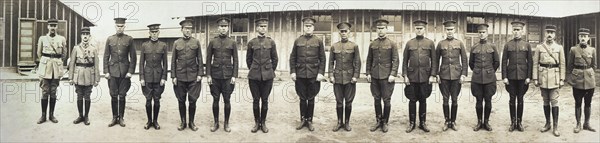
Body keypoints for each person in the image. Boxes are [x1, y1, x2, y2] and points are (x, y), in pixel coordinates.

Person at [291, 17, 327, 132]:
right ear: (303, 27)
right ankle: (302, 119)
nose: (308, 28)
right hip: (300, 74)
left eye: (310, 26)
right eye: (306, 26)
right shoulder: (298, 41)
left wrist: (321, 73)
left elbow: (323, 58)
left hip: (313, 74)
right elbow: (293, 57)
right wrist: (292, 71)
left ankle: (310, 120)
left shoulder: (318, 41)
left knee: (311, 98)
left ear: (313, 27)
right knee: (302, 98)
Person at [403, 20, 437, 133]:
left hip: (425, 77)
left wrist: (432, 75)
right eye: (417, 28)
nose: (419, 30)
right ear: (414, 29)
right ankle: (412, 123)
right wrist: (405, 75)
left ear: (424, 29)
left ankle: (423, 123)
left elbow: (434, 61)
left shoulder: (430, 43)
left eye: (421, 28)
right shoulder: (409, 43)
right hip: (412, 77)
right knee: (412, 100)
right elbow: (404, 61)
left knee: (423, 99)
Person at [366, 19, 400, 133]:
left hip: (387, 77)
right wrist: (368, 73)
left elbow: (396, 60)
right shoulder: (373, 43)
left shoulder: (392, 44)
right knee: (376, 99)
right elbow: (369, 60)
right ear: (377, 30)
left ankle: (385, 122)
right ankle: (378, 120)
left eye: (382, 28)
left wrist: (392, 74)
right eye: (378, 28)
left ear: (386, 29)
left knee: (386, 100)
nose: (380, 31)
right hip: (375, 76)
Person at [206, 17, 239, 133]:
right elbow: (208, 59)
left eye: (225, 27)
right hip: (215, 76)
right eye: (221, 26)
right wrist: (208, 75)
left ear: (228, 28)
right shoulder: (212, 42)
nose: (223, 29)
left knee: (227, 100)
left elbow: (235, 60)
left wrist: (234, 76)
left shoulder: (232, 42)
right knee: (215, 100)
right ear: (218, 28)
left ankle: (226, 123)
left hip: (227, 77)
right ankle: (215, 122)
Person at [246, 18, 279, 133]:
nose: (263, 28)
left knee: (264, 100)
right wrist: (254, 69)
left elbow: (275, 59)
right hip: (254, 77)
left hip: (267, 77)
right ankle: (256, 123)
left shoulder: (271, 42)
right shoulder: (251, 42)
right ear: (257, 28)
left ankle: (263, 123)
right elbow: (248, 60)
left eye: (265, 26)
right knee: (256, 100)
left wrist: (269, 70)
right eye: (261, 26)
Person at [172, 19, 204, 131]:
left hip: (193, 76)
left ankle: (191, 122)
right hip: (180, 76)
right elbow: (173, 61)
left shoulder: (196, 42)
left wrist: (200, 74)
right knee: (181, 100)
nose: (188, 31)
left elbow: (200, 58)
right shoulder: (176, 43)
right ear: (182, 30)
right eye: (186, 29)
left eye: (190, 29)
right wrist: (174, 76)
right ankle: (183, 122)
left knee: (192, 100)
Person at [533, 25, 565, 137]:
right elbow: (535, 63)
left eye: (552, 32)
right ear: (545, 34)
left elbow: (562, 64)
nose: (550, 34)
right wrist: (535, 78)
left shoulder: (559, 47)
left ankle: (555, 126)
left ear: (555, 35)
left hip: (555, 78)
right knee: (545, 101)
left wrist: (562, 79)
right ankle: (547, 123)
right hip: (543, 77)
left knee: (554, 102)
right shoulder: (539, 47)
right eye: (548, 32)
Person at [104, 17, 136, 127]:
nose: (120, 28)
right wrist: (106, 71)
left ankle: (121, 117)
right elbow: (106, 56)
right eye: (118, 26)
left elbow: (133, 57)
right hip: (112, 73)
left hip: (124, 73)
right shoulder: (110, 39)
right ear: (115, 26)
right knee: (113, 95)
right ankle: (114, 117)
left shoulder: (129, 39)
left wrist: (130, 71)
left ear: (124, 27)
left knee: (122, 95)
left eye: (122, 26)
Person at [435, 20, 468, 131]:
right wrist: (436, 74)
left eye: (451, 29)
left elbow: (464, 59)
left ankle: (453, 121)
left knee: (454, 99)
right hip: (444, 75)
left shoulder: (459, 43)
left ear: (455, 30)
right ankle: (446, 121)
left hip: (456, 76)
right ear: (445, 31)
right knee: (445, 100)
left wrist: (463, 74)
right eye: (448, 30)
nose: (449, 32)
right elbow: (436, 60)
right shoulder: (441, 44)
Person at [328, 22, 361, 132]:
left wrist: (356, 76)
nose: (343, 33)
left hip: (349, 78)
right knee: (339, 102)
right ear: (339, 33)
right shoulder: (334, 46)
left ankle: (346, 122)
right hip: (337, 78)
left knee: (348, 102)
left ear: (349, 32)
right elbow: (331, 62)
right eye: (341, 31)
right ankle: (339, 122)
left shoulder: (354, 46)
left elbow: (357, 62)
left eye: (345, 31)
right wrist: (331, 75)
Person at [36, 18, 67, 124]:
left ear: (57, 27)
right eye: (51, 25)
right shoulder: (42, 38)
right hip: (45, 68)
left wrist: (57, 63)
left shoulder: (62, 39)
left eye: (54, 25)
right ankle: (43, 115)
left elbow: (64, 54)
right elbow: (39, 53)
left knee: (53, 92)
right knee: (45, 92)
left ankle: (51, 115)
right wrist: (45, 62)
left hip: (56, 69)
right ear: (47, 26)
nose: (53, 27)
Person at [470, 24, 500, 132]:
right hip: (477, 78)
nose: (481, 34)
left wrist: (490, 72)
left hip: (489, 78)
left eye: (483, 32)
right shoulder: (474, 47)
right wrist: (478, 71)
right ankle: (479, 122)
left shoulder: (492, 47)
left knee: (488, 100)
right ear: (478, 34)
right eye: (480, 32)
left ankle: (486, 122)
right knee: (478, 100)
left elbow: (496, 62)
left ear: (487, 33)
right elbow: (471, 63)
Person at [139, 24, 168, 130]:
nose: (154, 34)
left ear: (159, 33)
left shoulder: (163, 45)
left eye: (156, 32)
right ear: (149, 33)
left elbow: (165, 63)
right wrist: (141, 77)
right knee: (147, 100)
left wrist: (164, 77)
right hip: (147, 77)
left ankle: (155, 121)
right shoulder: (144, 45)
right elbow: (141, 62)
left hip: (159, 78)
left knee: (157, 100)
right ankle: (148, 121)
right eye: (152, 32)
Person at [69, 27, 98, 126]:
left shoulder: (93, 49)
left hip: (89, 75)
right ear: (81, 36)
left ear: (89, 36)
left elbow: (96, 64)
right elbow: (72, 63)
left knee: (87, 96)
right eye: (83, 34)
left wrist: (97, 79)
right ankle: (80, 115)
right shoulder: (76, 48)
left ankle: (86, 116)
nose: (85, 36)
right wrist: (70, 78)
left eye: (87, 34)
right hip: (78, 75)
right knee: (79, 95)